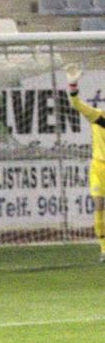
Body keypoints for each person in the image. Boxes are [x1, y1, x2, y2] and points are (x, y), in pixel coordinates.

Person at [65, 63, 105, 262]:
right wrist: (72, 85)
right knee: (99, 207)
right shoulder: (98, 116)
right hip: (99, 167)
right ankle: (104, 249)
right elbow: (76, 105)